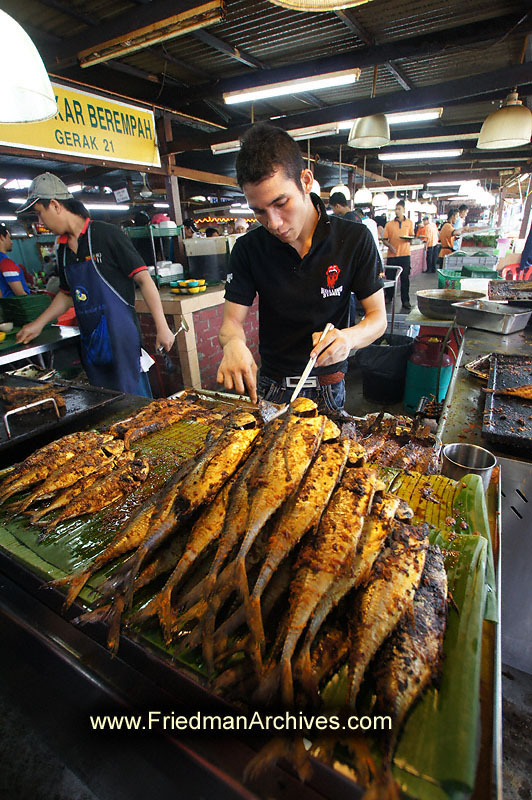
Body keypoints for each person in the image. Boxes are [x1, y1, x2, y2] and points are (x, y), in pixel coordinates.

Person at [216, 123, 386, 411]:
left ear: (306, 181)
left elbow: (377, 319)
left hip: (328, 383)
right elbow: (231, 323)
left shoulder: (353, 238)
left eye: (281, 203)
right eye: (259, 211)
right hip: (272, 384)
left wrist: (348, 338)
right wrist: (232, 344)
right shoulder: (248, 248)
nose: (274, 223)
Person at [15, 173, 175, 396]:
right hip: (92, 344)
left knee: (136, 408)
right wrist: (38, 324)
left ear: (54, 205)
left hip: (122, 341)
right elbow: (66, 295)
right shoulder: (61, 251)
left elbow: (144, 279)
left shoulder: (106, 235)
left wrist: (162, 327)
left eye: (40, 214)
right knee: (105, 406)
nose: (40, 223)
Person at [382, 201, 414, 311]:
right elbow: (384, 240)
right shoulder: (389, 224)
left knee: (405, 279)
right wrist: (390, 246)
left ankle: (405, 301)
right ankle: (388, 297)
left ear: (404, 210)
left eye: (399, 209)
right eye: (396, 209)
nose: (397, 211)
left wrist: (409, 239)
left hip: (405, 255)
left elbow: (411, 237)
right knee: (390, 278)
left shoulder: (409, 223)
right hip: (392, 255)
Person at [0, 223, 31, 297]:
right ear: (1, 237)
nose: (11, 242)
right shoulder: (6, 263)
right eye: (9, 238)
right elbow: (20, 295)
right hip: (15, 307)